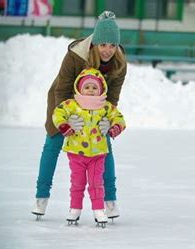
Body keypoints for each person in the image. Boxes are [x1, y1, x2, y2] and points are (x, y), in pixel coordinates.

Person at [31, 11, 127, 220]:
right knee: (53, 143)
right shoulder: (76, 55)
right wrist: (65, 119)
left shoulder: (120, 63)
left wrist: (106, 121)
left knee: (104, 148)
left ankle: (110, 201)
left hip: (98, 107)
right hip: (63, 102)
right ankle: (41, 198)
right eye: (103, 44)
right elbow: (62, 90)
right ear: (94, 43)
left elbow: (112, 98)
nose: (108, 50)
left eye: (112, 45)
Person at [53, 68, 125, 227]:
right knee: (77, 183)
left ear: (101, 89)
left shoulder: (105, 107)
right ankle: (75, 208)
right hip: (76, 152)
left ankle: (99, 210)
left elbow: (119, 118)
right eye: (87, 87)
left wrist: (114, 128)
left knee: (96, 183)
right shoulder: (71, 104)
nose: (91, 91)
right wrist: (64, 126)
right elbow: (57, 113)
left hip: (98, 154)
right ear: (79, 88)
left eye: (94, 88)